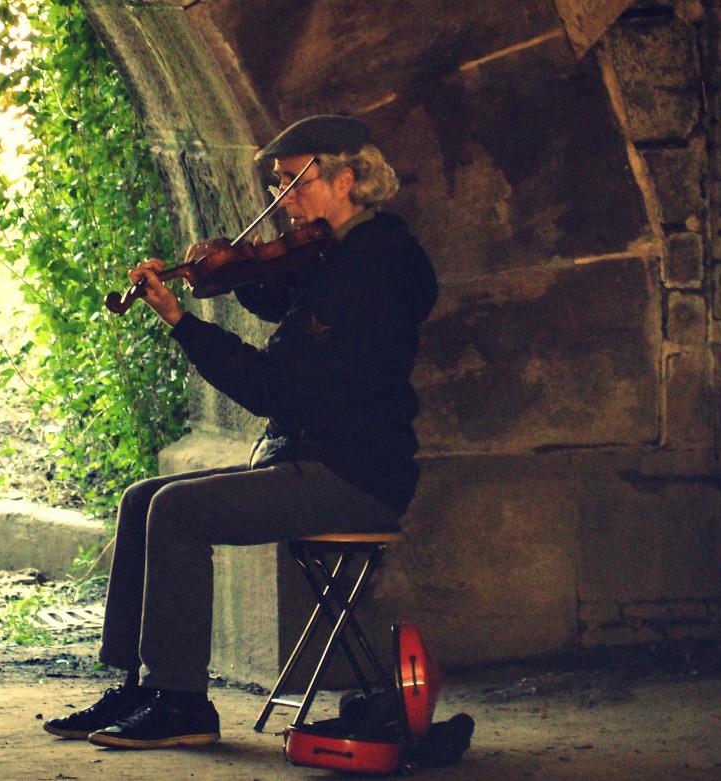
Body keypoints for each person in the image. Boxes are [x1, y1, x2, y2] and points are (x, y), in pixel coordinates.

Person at [43, 114, 438, 750]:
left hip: (355, 474)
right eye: (278, 185)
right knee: (142, 497)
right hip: (312, 458)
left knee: (174, 510)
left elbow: (270, 387)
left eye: (294, 182)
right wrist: (227, 274)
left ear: (346, 180)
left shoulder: (372, 267)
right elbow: (283, 300)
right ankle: (139, 685)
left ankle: (183, 704)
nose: (282, 203)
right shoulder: (336, 253)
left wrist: (180, 320)